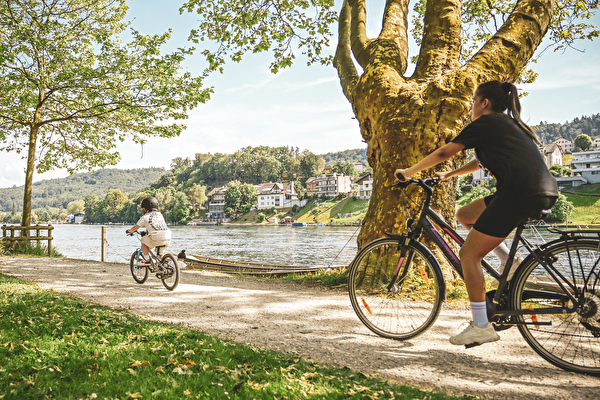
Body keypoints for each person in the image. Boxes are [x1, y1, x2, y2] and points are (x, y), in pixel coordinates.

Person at [395, 81, 559, 346]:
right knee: (465, 215)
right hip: (539, 190)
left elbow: (445, 151)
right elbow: (478, 162)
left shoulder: (487, 122)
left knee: (468, 255)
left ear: (484, 103)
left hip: (519, 193)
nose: (471, 107)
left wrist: (408, 172)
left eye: (473, 101)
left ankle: (481, 325)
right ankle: (510, 261)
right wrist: (449, 174)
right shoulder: (508, 125)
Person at [126, 196, 172, 266]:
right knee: (160, 252)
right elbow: (156, 225)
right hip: (167, 236)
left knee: (143, 241)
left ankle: (147, 259)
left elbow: (135, 228)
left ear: (145, 209)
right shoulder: (160, 214)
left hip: (156, 237)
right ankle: (164, 265)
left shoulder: (145, 217)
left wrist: (129, 231)